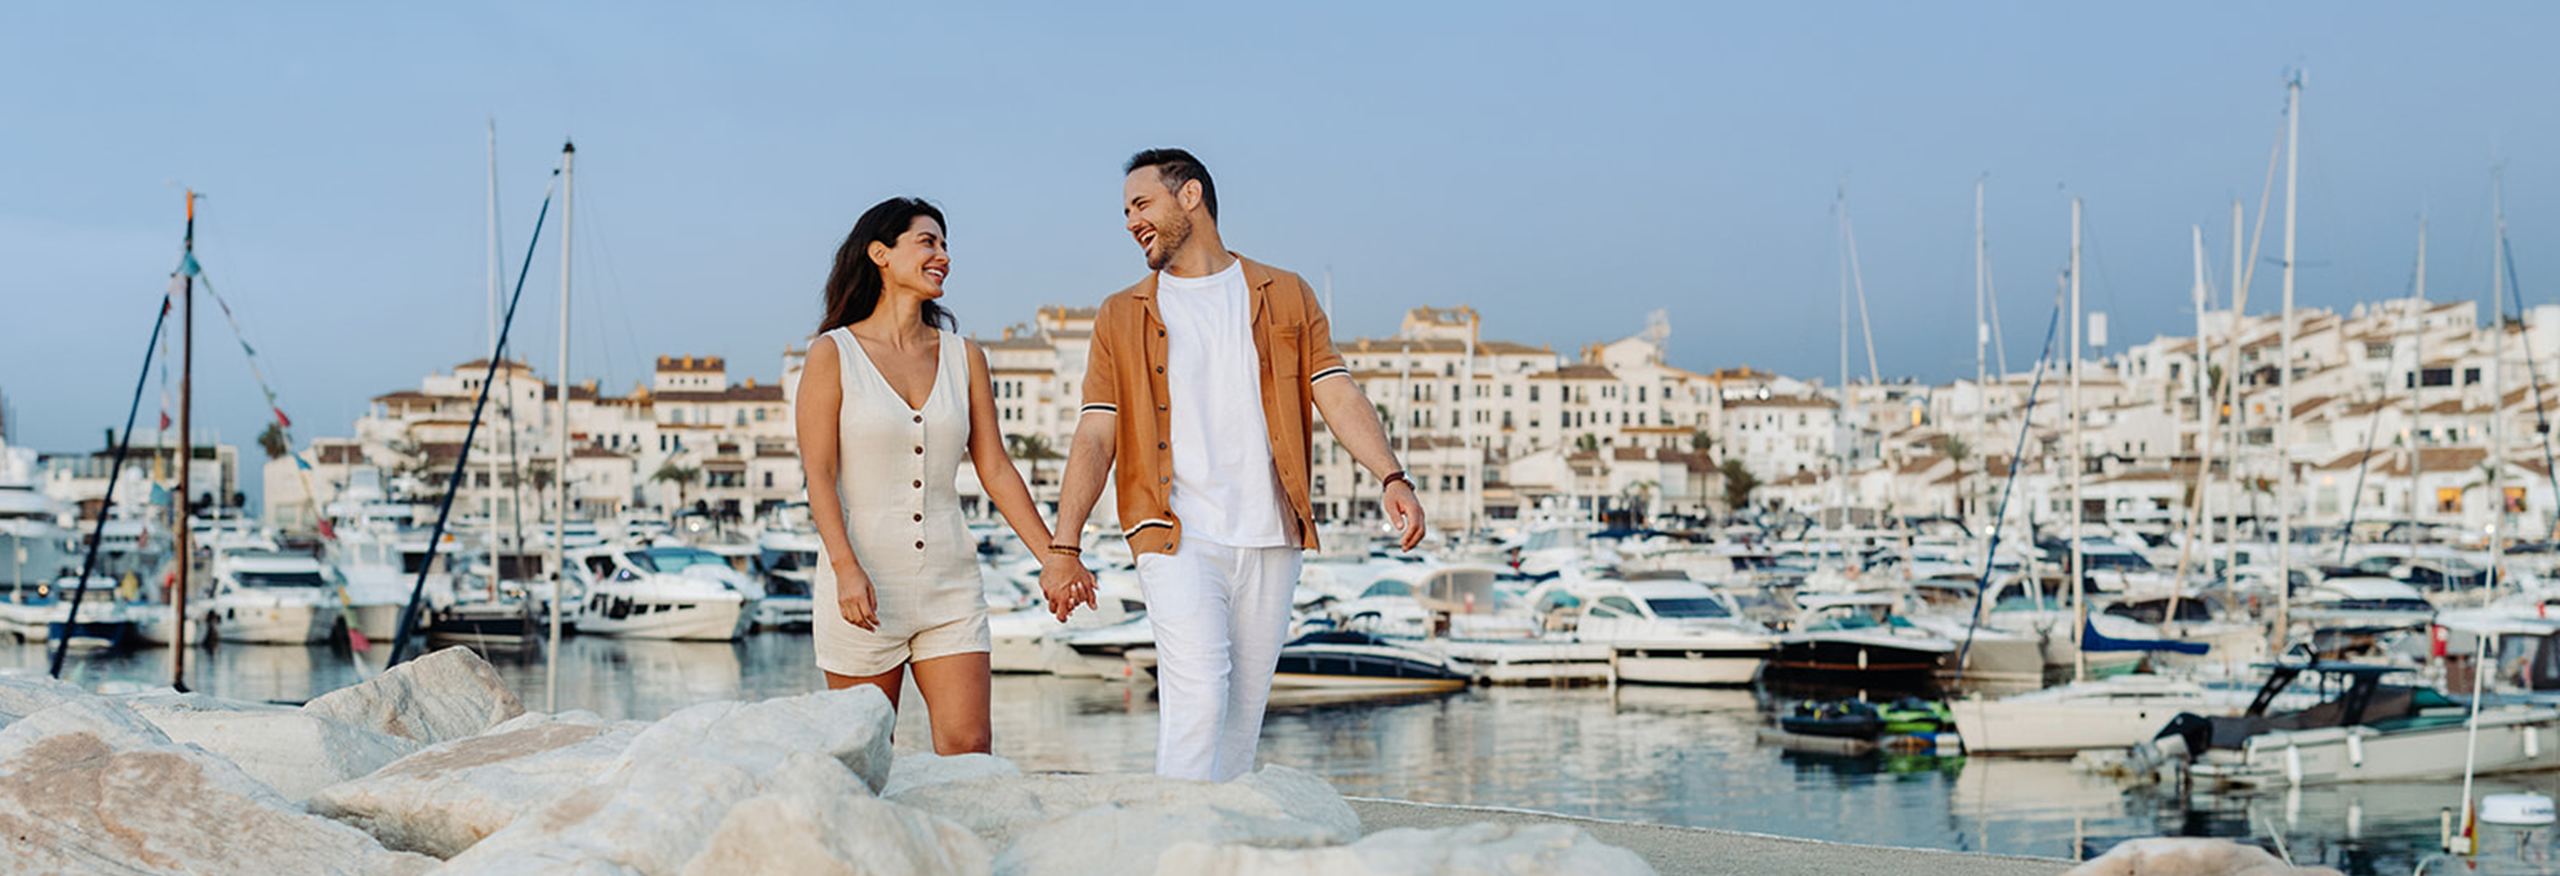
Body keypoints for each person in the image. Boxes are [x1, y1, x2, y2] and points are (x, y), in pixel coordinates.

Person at [1047, 149, 1424, 781]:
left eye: (1142, 204)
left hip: (1272, 532)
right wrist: (1065, 543)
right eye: (1125, 211)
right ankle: (1177, 847)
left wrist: (1392, 476)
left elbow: (1335, 390)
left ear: (1190, 196)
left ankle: (1218, 847)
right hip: (1173, 531)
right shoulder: (1121, 314)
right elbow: (1096, 432)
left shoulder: (1286, 293)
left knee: (1242, 717)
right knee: (1198, 695)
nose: (1130, 221)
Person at [794, 196, 1095, 754]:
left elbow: (996, 469)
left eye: (945, 244)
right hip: (862, 587)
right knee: (862, 755)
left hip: (950, 583)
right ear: (879, 253)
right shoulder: (832, 354)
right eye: (927, 242)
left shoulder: (965, 356)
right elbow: (818, 473)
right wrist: (844, 568)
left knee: (970, 747)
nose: (943, 256)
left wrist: (1055, 556)